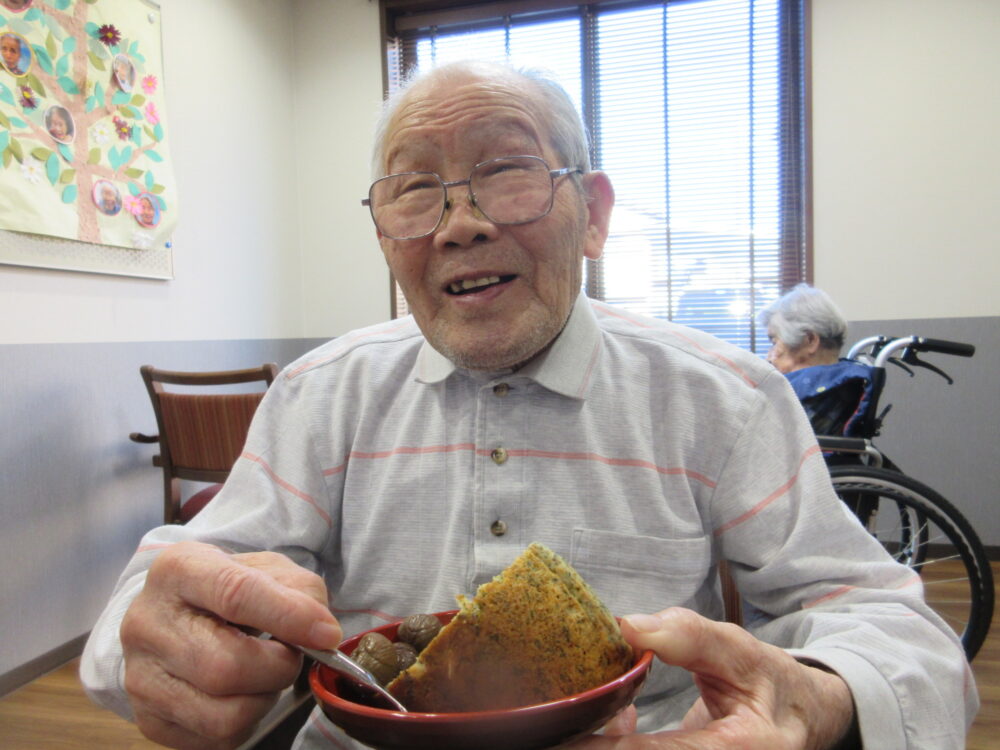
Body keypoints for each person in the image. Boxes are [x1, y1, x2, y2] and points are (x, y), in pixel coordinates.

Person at [81, 61, 976, 749]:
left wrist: (810, 698)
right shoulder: (322, 395)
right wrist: (149, 646)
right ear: (386, 234)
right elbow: (173, 586)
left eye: (506, 172)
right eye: (416, 189)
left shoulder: (727, 399)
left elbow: (901, 632)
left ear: (591, 213)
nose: (458, 222)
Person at [759, 283, 876, 436]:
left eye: (774, 342)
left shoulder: (811, 396)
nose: (768, 358)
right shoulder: (843, 383)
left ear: (810, 340)